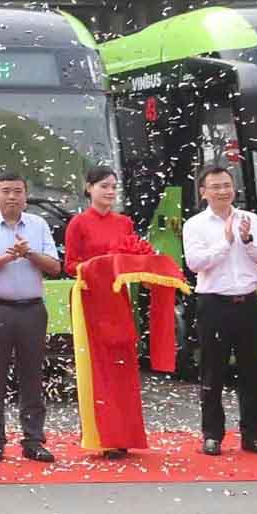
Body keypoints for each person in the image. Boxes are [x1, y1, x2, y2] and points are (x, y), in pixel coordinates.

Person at [183, 164, 257, 457]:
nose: (223, 191)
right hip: (214, 304)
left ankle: (253, 435)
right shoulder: (195, 225)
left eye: (226, 185)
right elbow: (195, 264)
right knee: (213, 371)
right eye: (215, 186)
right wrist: (225, 244)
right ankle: (212, 435)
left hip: (248, 303)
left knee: (252, 371)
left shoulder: (250, 219)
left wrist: (247, 241)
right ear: (203, 192)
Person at [0, 171, 61, 463]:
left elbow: (55, 267)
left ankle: (33, 440)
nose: (12, 197)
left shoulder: (39, 225)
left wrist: (28, 253)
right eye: (6, 191)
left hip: (32, 309)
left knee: (32, 376)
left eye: (18, 191)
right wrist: (8, 257)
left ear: (26, 195)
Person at [64, 166, 145, 459]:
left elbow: (130, 258)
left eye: (113, 186)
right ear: (89, 188)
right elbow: (71, 264)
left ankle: (126, 434)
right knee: (98, 369)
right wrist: (98, 265)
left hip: (117, 298)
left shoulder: (124, 222)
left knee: (123, 364)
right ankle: (105, 435)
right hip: (90, 299)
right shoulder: (78, 223)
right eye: (103, 186)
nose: (110, 192)